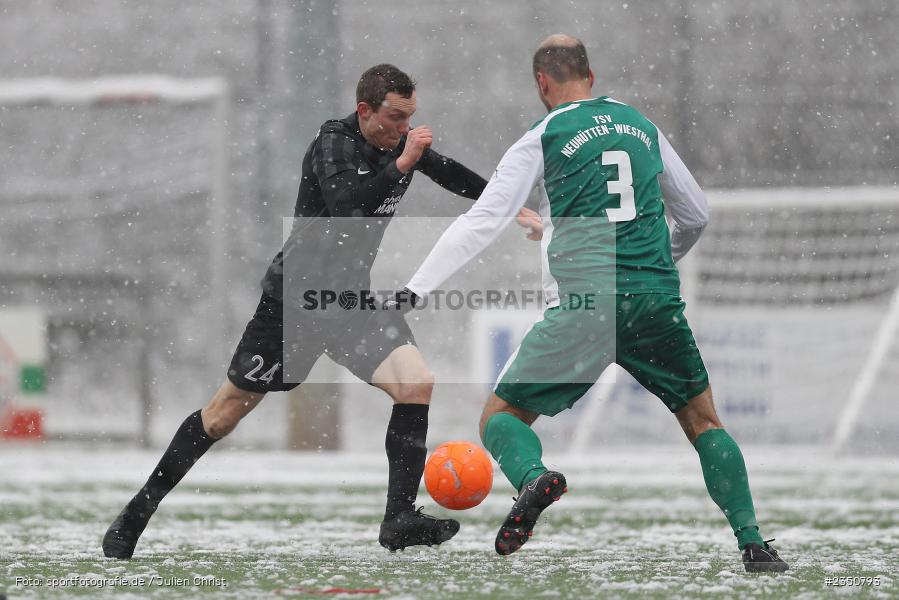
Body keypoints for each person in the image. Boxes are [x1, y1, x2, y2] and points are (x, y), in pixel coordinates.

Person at [102, 63, 542, 558]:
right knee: (223, 415)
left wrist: (507, 206)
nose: (403, 128)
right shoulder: (333, 144)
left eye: (409, 118)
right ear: (364, 110)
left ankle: (398, 518)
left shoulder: (397, 144)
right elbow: (347, 206)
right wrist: (402, 163)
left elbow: (450, 174)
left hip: (350, 303)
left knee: (415, 383)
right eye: (395, 118)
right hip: (295, 303)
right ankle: (137, 512)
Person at [393, 36, 789, 572]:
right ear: (592, 77)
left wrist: (413, 289)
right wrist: (652, 267)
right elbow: (695, 214)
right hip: (653, 300)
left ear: (541, 83)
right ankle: (753, 543)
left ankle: (534, 479)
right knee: (703, 422)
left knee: (500, 418)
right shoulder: (639, 126)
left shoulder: (543, 135)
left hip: (584, 306)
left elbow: (482, 222)